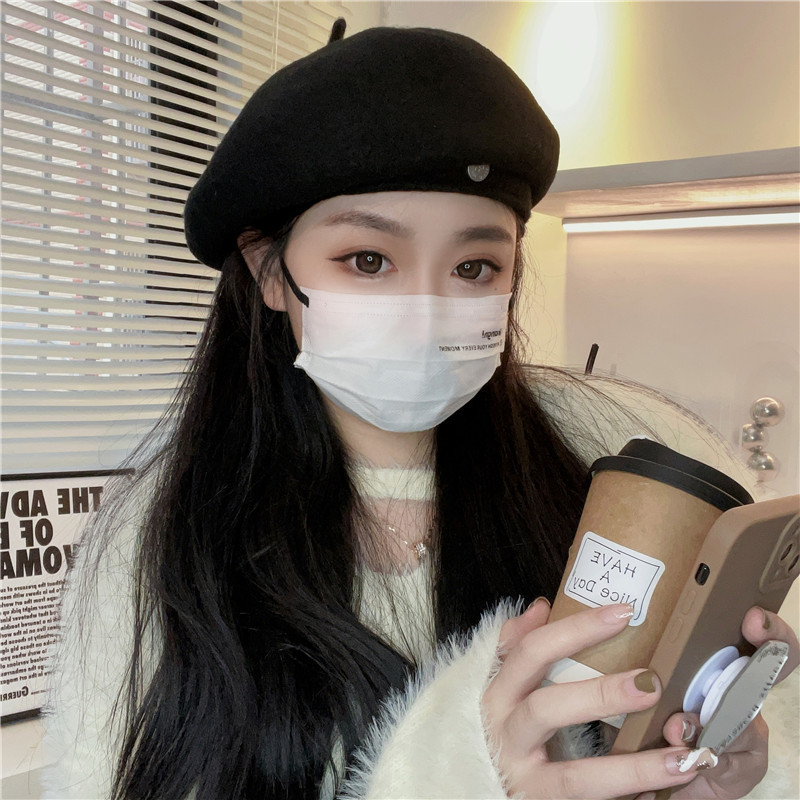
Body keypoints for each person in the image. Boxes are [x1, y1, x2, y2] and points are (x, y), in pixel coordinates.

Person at [41, 21, 798, 800]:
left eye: (475, 266)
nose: (428, 311)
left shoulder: (612, 466)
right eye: (368, 260)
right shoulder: (165, 541)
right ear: (270, 272)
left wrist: (706, 782)